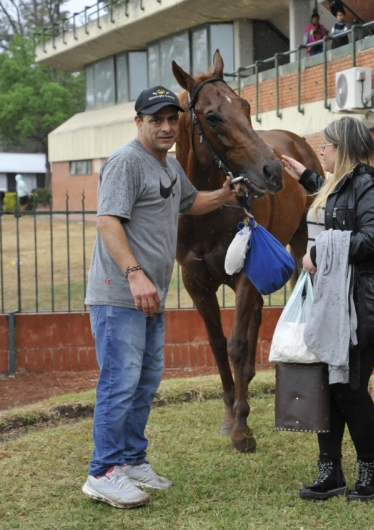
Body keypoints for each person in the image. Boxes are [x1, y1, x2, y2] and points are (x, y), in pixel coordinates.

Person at [81, 86, 235, 509]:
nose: (166, 127)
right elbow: (107, 222)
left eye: (172, 119)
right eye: (156, 120)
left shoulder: (167, 166)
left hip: (150, 297)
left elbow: (189, 201)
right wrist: (134, 275)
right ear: (138, 123)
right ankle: (102, 473)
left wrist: (222, 196)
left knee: (144, 382)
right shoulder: (126, 162)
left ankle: (131, 461)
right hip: (121, 296)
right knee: (119, 383)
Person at [280, 117, 374, 503]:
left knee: (349, 390)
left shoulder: (369, 183)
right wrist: (306, 177)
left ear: (343, 148)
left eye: (327, 146)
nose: (321, 153)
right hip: (335, 301)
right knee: (328, 388)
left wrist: (319, 250)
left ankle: (370, 470)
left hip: (359, 304)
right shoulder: (344, 182)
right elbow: (338, 202)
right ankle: (329, 471)